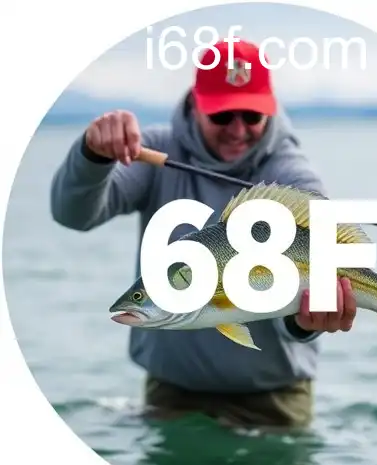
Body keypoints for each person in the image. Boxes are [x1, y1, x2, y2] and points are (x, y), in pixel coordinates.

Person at [50, 39, 357, 429]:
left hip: (274, 401)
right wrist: (92, 156)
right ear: (196, 104)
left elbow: (319, 272)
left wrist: (304, 321)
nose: (238, 129)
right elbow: (73, 215)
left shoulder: (293, 176)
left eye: (252, 115)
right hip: (170, 393)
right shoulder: (153, 150)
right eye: (223, 115)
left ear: (271, 108)